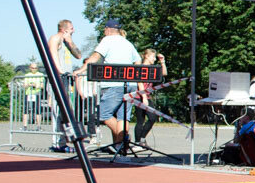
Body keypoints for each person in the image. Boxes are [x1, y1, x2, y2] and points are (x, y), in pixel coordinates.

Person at [75, 19, 141, 148]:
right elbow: (137, 61)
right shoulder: (127, 43)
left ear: (108, 29)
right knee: (123, 117)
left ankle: (123, 138)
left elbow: (94, 57)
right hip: (130, 83)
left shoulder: (107, 40)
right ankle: (119, 147)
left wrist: (80, 70)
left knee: (103, 114)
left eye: (104, 29)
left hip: (113, 84)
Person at [48, 19, 81, 153]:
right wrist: (60, 72)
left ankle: (63, 141)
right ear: (65, 29)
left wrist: (70, 41)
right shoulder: (55, 38)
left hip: (66, 79)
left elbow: (79, 55)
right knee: (58, 110)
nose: (74, 31)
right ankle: (57, 142)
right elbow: (52, 55)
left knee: (66, 112)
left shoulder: (67, 43)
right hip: (58, 78)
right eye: (72, 28)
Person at [132, 47, 167, 144]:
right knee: (140, 120)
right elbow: (140, 82)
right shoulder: (141, 67)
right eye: (153, 57)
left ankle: (142, 138)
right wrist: (143, 97)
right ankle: (137, 141)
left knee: (152, 118)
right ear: (146, 56)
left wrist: (162, 62)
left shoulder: (153, 68)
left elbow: (164, 73)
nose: (154, 59)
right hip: (140, 96)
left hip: (147, 96)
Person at [21, 61, 44, 127]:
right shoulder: (27, 75)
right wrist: (28, 84)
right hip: (28, 94)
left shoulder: (40, 75)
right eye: (33, 68)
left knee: (37, 110)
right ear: (30, 68)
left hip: (37, 94)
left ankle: (38, 126)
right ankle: (25, 126)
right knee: (26, 109)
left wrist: (36, 85)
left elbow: (42, 86)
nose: (34, 69)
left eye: (36, 68)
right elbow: (24, 85)